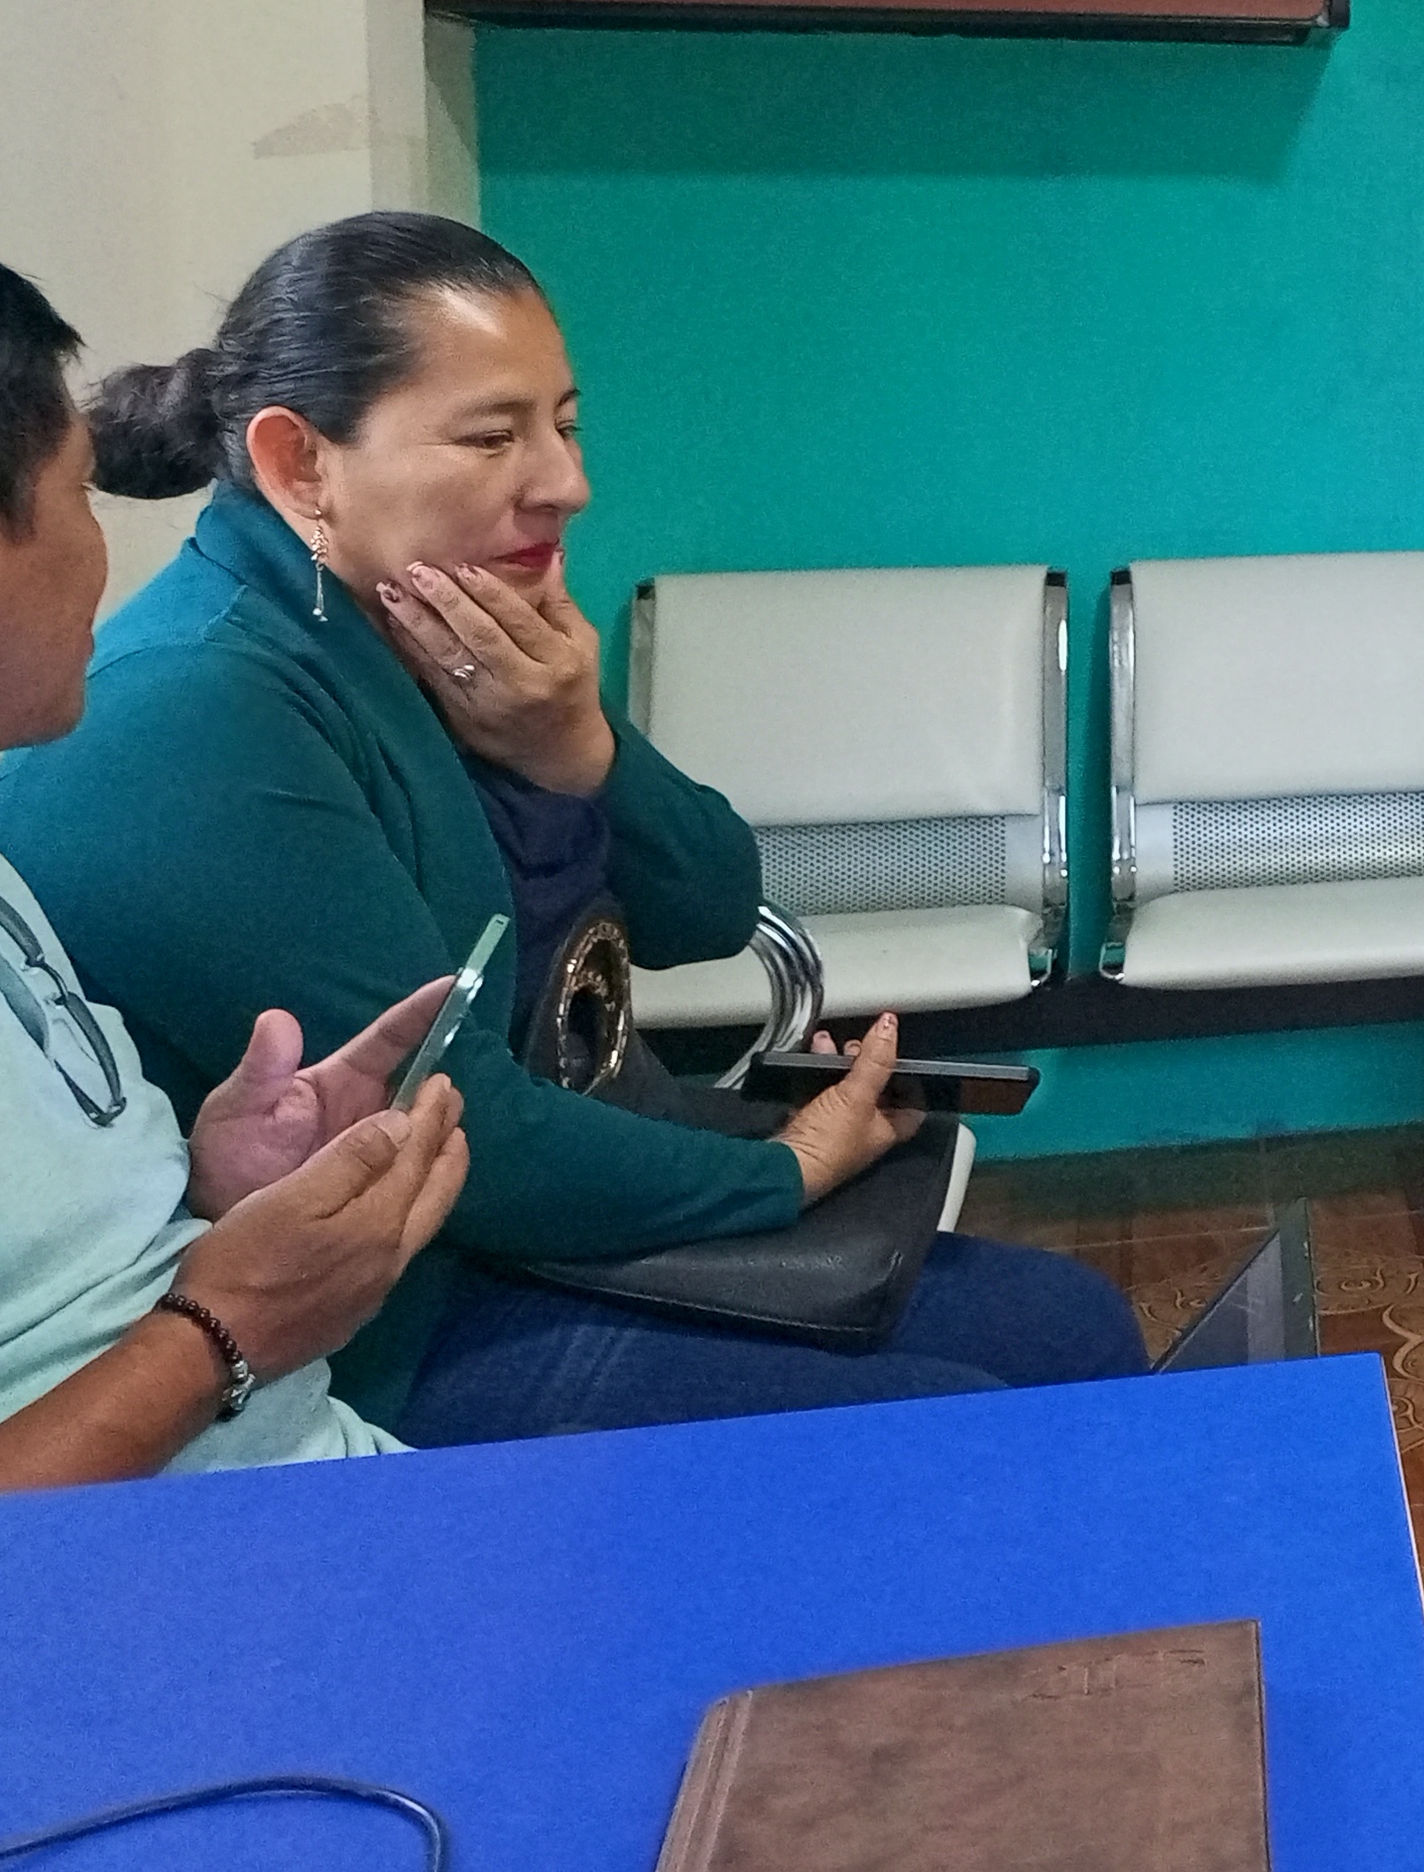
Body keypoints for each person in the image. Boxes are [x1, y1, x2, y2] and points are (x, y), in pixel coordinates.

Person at [0, 214, 1146, 1444]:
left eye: (565, 424)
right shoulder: (199, 710)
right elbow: (464, 1127)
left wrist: (577, 746)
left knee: (1067, 1328)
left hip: (523, 1204)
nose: (565, 483)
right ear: (301, 466)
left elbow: (709, 910)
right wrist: (786, 1168)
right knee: (957, 1431)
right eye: (492, 437)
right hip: (402, 1321)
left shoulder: (454, 629)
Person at [0, 261, 473, 1484]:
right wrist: (226, 1326)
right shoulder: (196, 694)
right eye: (77, 496)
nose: (561, 484)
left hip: (318, 1466)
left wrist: (217, 1188)